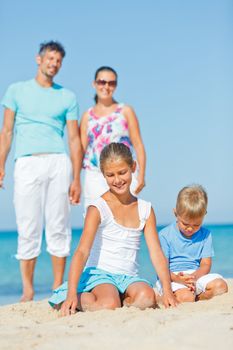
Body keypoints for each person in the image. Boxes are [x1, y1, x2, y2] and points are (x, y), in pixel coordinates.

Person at [49, 143, 177, 315]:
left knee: (147, 298)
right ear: (103, 175)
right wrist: (72, 292)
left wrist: (167, 290)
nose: (117, 180)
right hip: (99, 274)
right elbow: (82, 251)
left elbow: (156, 252)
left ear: (133, 167)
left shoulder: (145, 209)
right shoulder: (98, 208)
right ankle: (69, 297)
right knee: (109, 303)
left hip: (128, 277)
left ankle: (120, 298)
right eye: (110, 175)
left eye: (122, 172)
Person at [0, 40, 82, 302]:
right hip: (26, 162)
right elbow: (7, 131)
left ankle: (58, 287)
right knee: (28, 227)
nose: (54, 64)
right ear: (39, 59)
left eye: (58, 61)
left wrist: (77, 177)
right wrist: (0, 164)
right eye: (50, 58)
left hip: (58, 162)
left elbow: (74, 139)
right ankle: (28, 290)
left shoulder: (67, 96)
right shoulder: (16, 91)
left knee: (59, 225)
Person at [80, 66, 146, 208]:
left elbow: (138, 144)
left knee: (126, 222)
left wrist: (141, 175)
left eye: (111, 83)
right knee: (95, 221)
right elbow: (81, 151)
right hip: (94, 175)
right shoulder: (87, 116)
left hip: (123, 175)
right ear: (94, 84)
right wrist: (74, 181)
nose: (106, 86)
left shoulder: (126, 111)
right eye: (102, 82)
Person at [156, 185, 228, 303]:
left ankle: (195, 297)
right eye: (185, 223)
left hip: (196, 276)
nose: (190, 229)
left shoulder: (205, 235)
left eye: (196, 225)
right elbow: (162, 267)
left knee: (221, 286)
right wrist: (178, 279)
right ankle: (161, 296)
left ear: (204, 215)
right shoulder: (165, 235)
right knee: (186, 297)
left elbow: (205, 264)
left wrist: (193, 278)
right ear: (175, 213)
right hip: (172, 277)